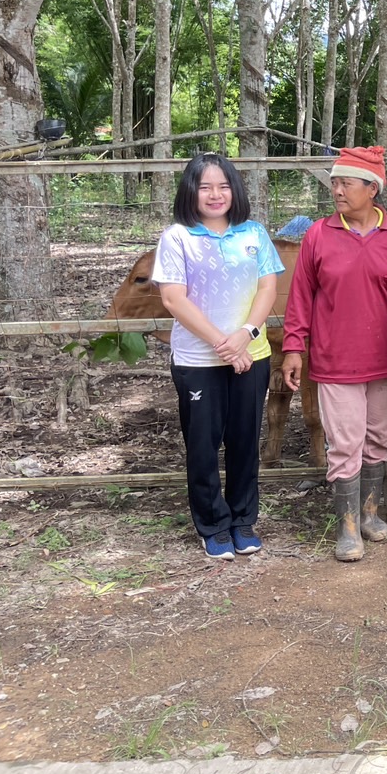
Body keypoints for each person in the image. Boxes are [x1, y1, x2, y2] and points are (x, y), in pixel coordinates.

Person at [282, 146, 387, 563]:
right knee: (345, 442)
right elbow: (300, 296)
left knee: (378, 437)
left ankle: (370, 514)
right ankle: (347, 528)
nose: (336, 190)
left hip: (385, 358)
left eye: (345, 183)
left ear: (372, 189)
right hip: (335, 359)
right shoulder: (319, 234)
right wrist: (292, 349)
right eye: (334, 182)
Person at [154, 153, 285, 560]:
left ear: (235, 189)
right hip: (198, 360)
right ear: (190, 191)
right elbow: (174, 299)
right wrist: (222, 344)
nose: (215, 194)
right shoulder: (177, 237)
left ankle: (243, 520)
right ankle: (212, 525)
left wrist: (245, 336)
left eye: (223, 185)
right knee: (203, 444)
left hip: (252, 355)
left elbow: (267, 290)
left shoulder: (254, 234)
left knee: (246, 440)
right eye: (205, 186)